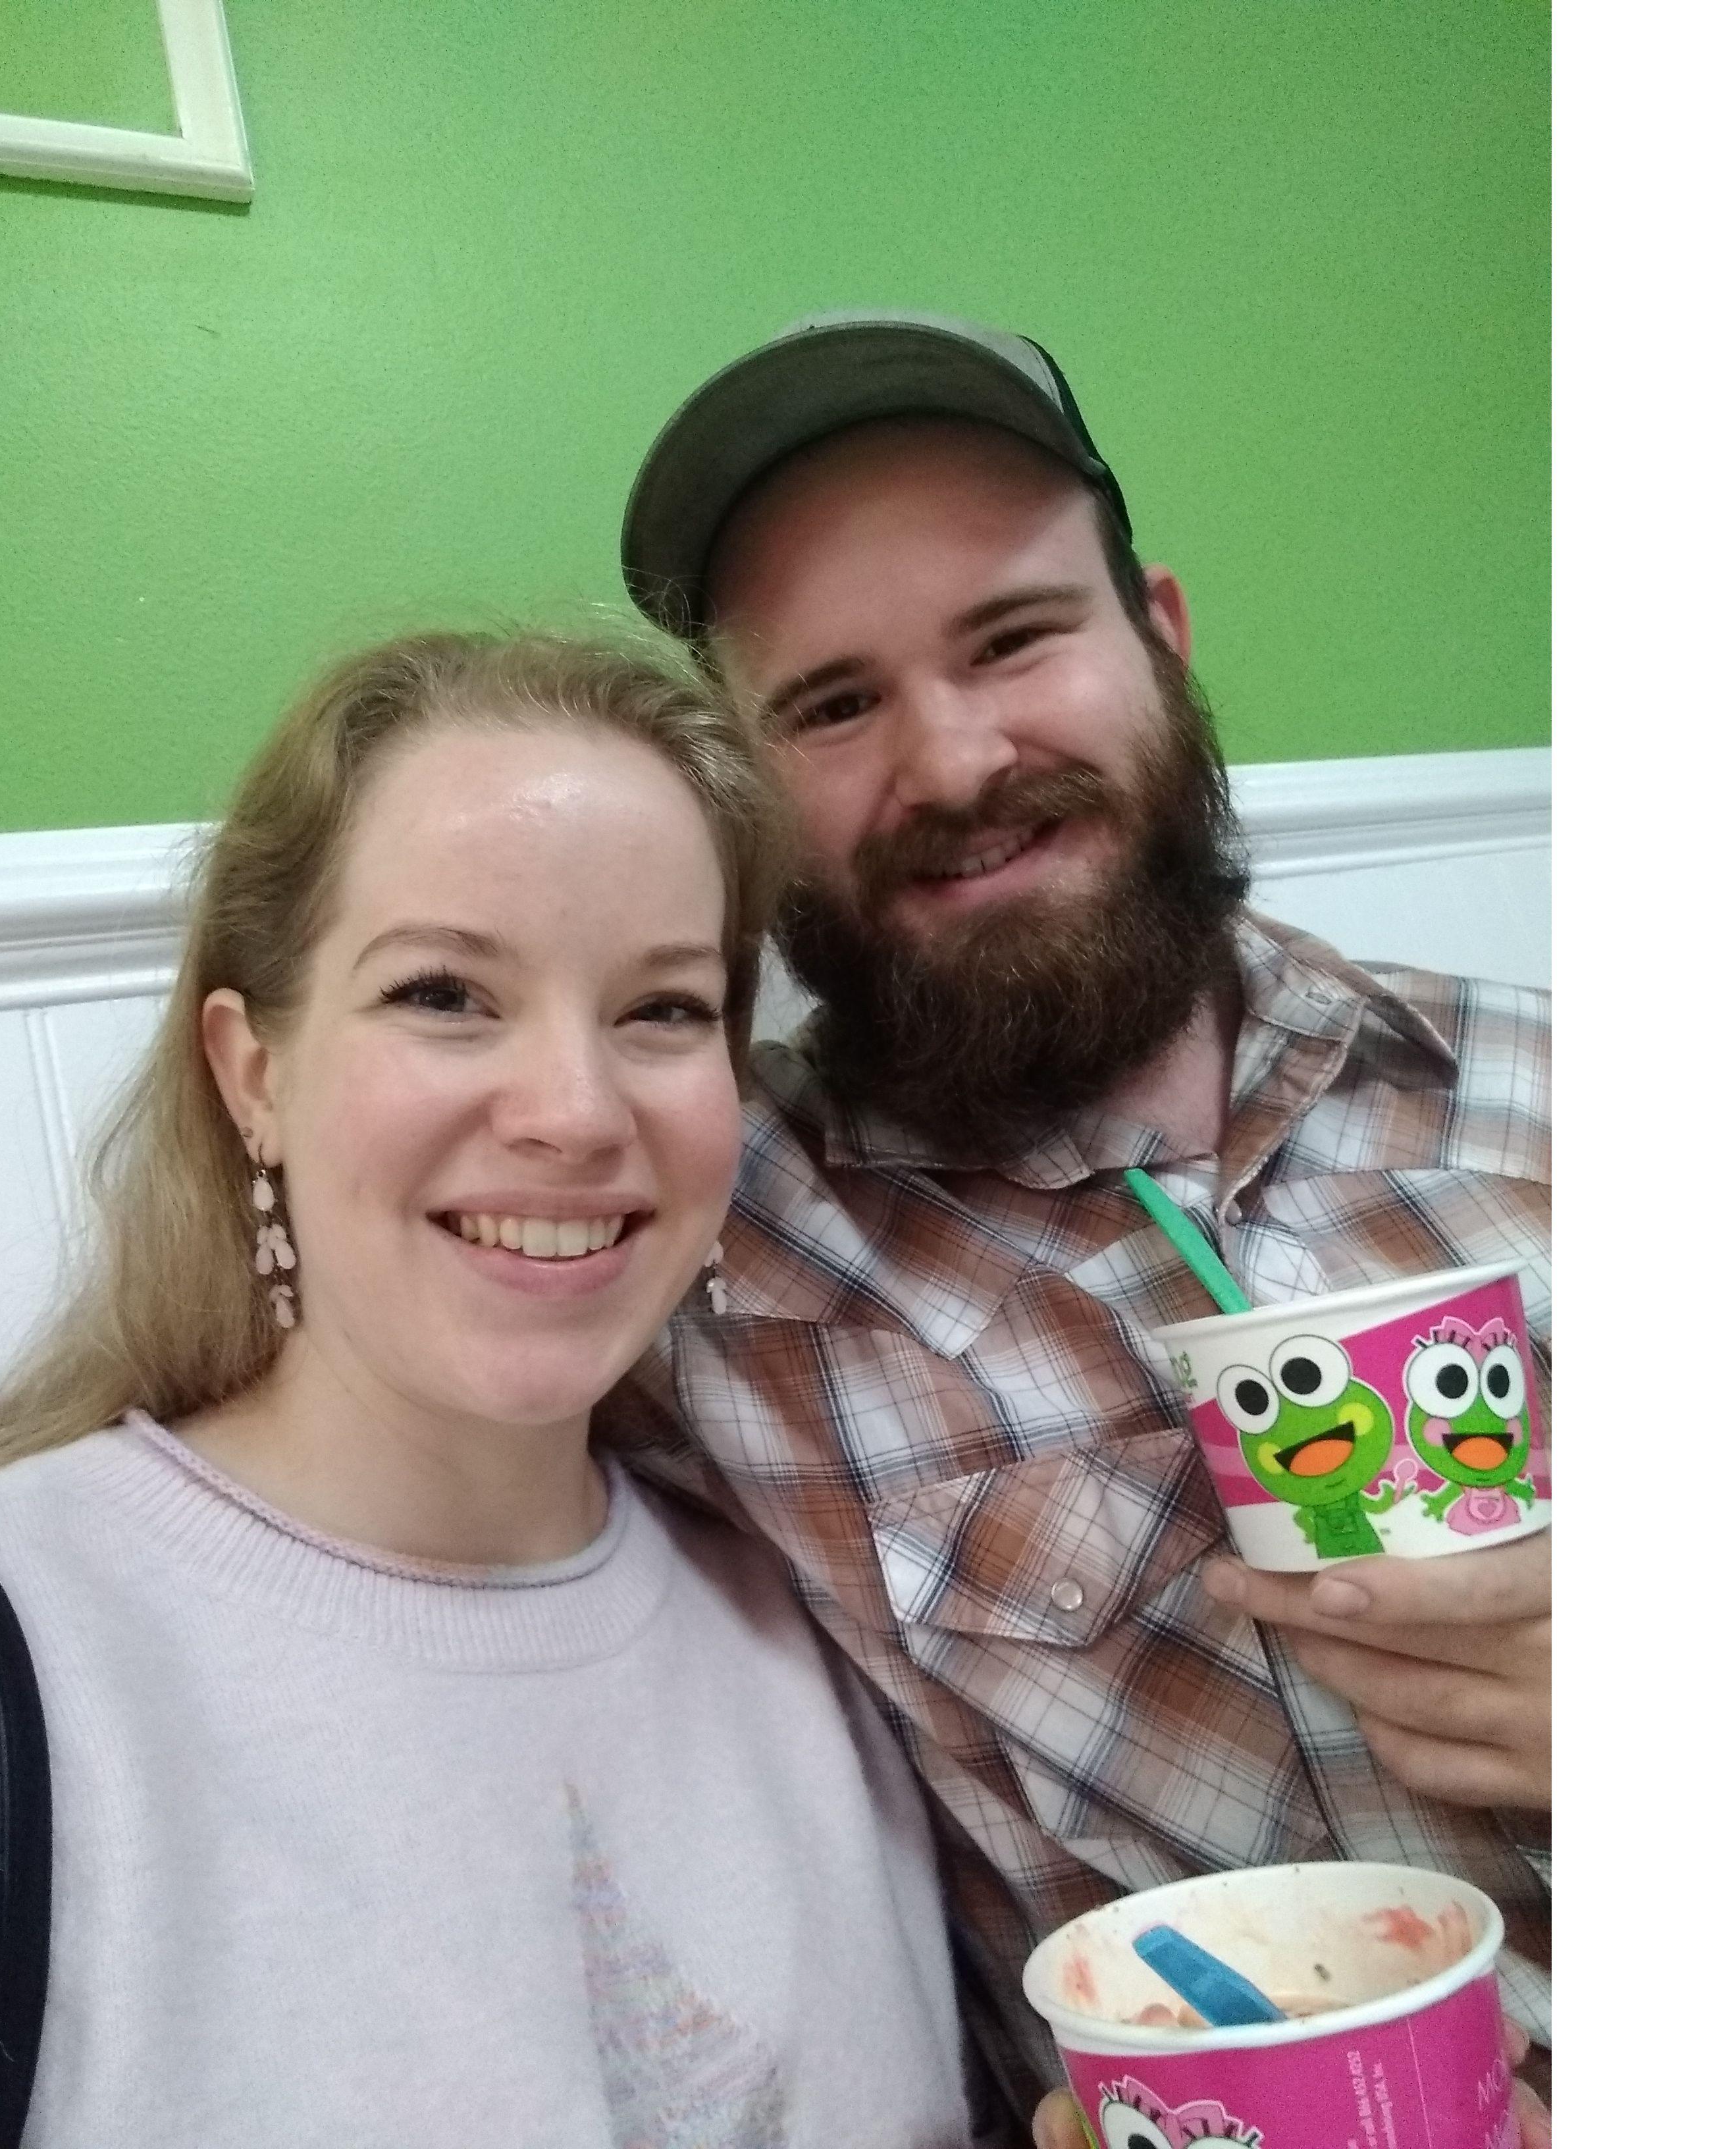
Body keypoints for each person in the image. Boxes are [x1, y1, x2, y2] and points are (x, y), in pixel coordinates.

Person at [608, 313, 1553, 2127]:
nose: (955, 761)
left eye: (1015, 639)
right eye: (833, 705)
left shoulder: (1555, 1096)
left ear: (1162, 641)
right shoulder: (699, 1262)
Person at [0, 633, 989, 2146]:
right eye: (444, 993)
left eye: (664, 1009)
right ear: (252, 1073)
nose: (573, 1112)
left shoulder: (807, 1620)